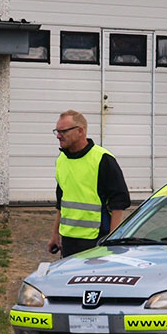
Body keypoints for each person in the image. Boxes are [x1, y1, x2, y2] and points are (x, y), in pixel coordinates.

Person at [47, 110, 130, 257]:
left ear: (80, 131)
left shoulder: (103, 159)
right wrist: (55, 234)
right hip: (68, 240)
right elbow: (61, 201)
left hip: (96, 240)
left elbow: (119, 202)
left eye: (63, 131)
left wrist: (112, 240)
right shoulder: (62, 159)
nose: (58, 136)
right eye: (57, 131)